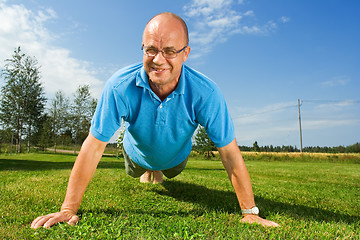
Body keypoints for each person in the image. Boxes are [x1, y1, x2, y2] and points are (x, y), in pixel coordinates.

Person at [31, 12, 279, 229]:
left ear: (186, 54)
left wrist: (249, 212)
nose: (158, 59)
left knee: (169, 171)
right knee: (137, 170)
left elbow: (230, 153)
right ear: (142, 48)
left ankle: (158, 168)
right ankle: (149, 168)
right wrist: (68, 209)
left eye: (170, 51)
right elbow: (93, 146)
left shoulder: (206, 92)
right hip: (135, 154)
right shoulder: (119, 87)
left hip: (176, 159)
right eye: (151, 49)